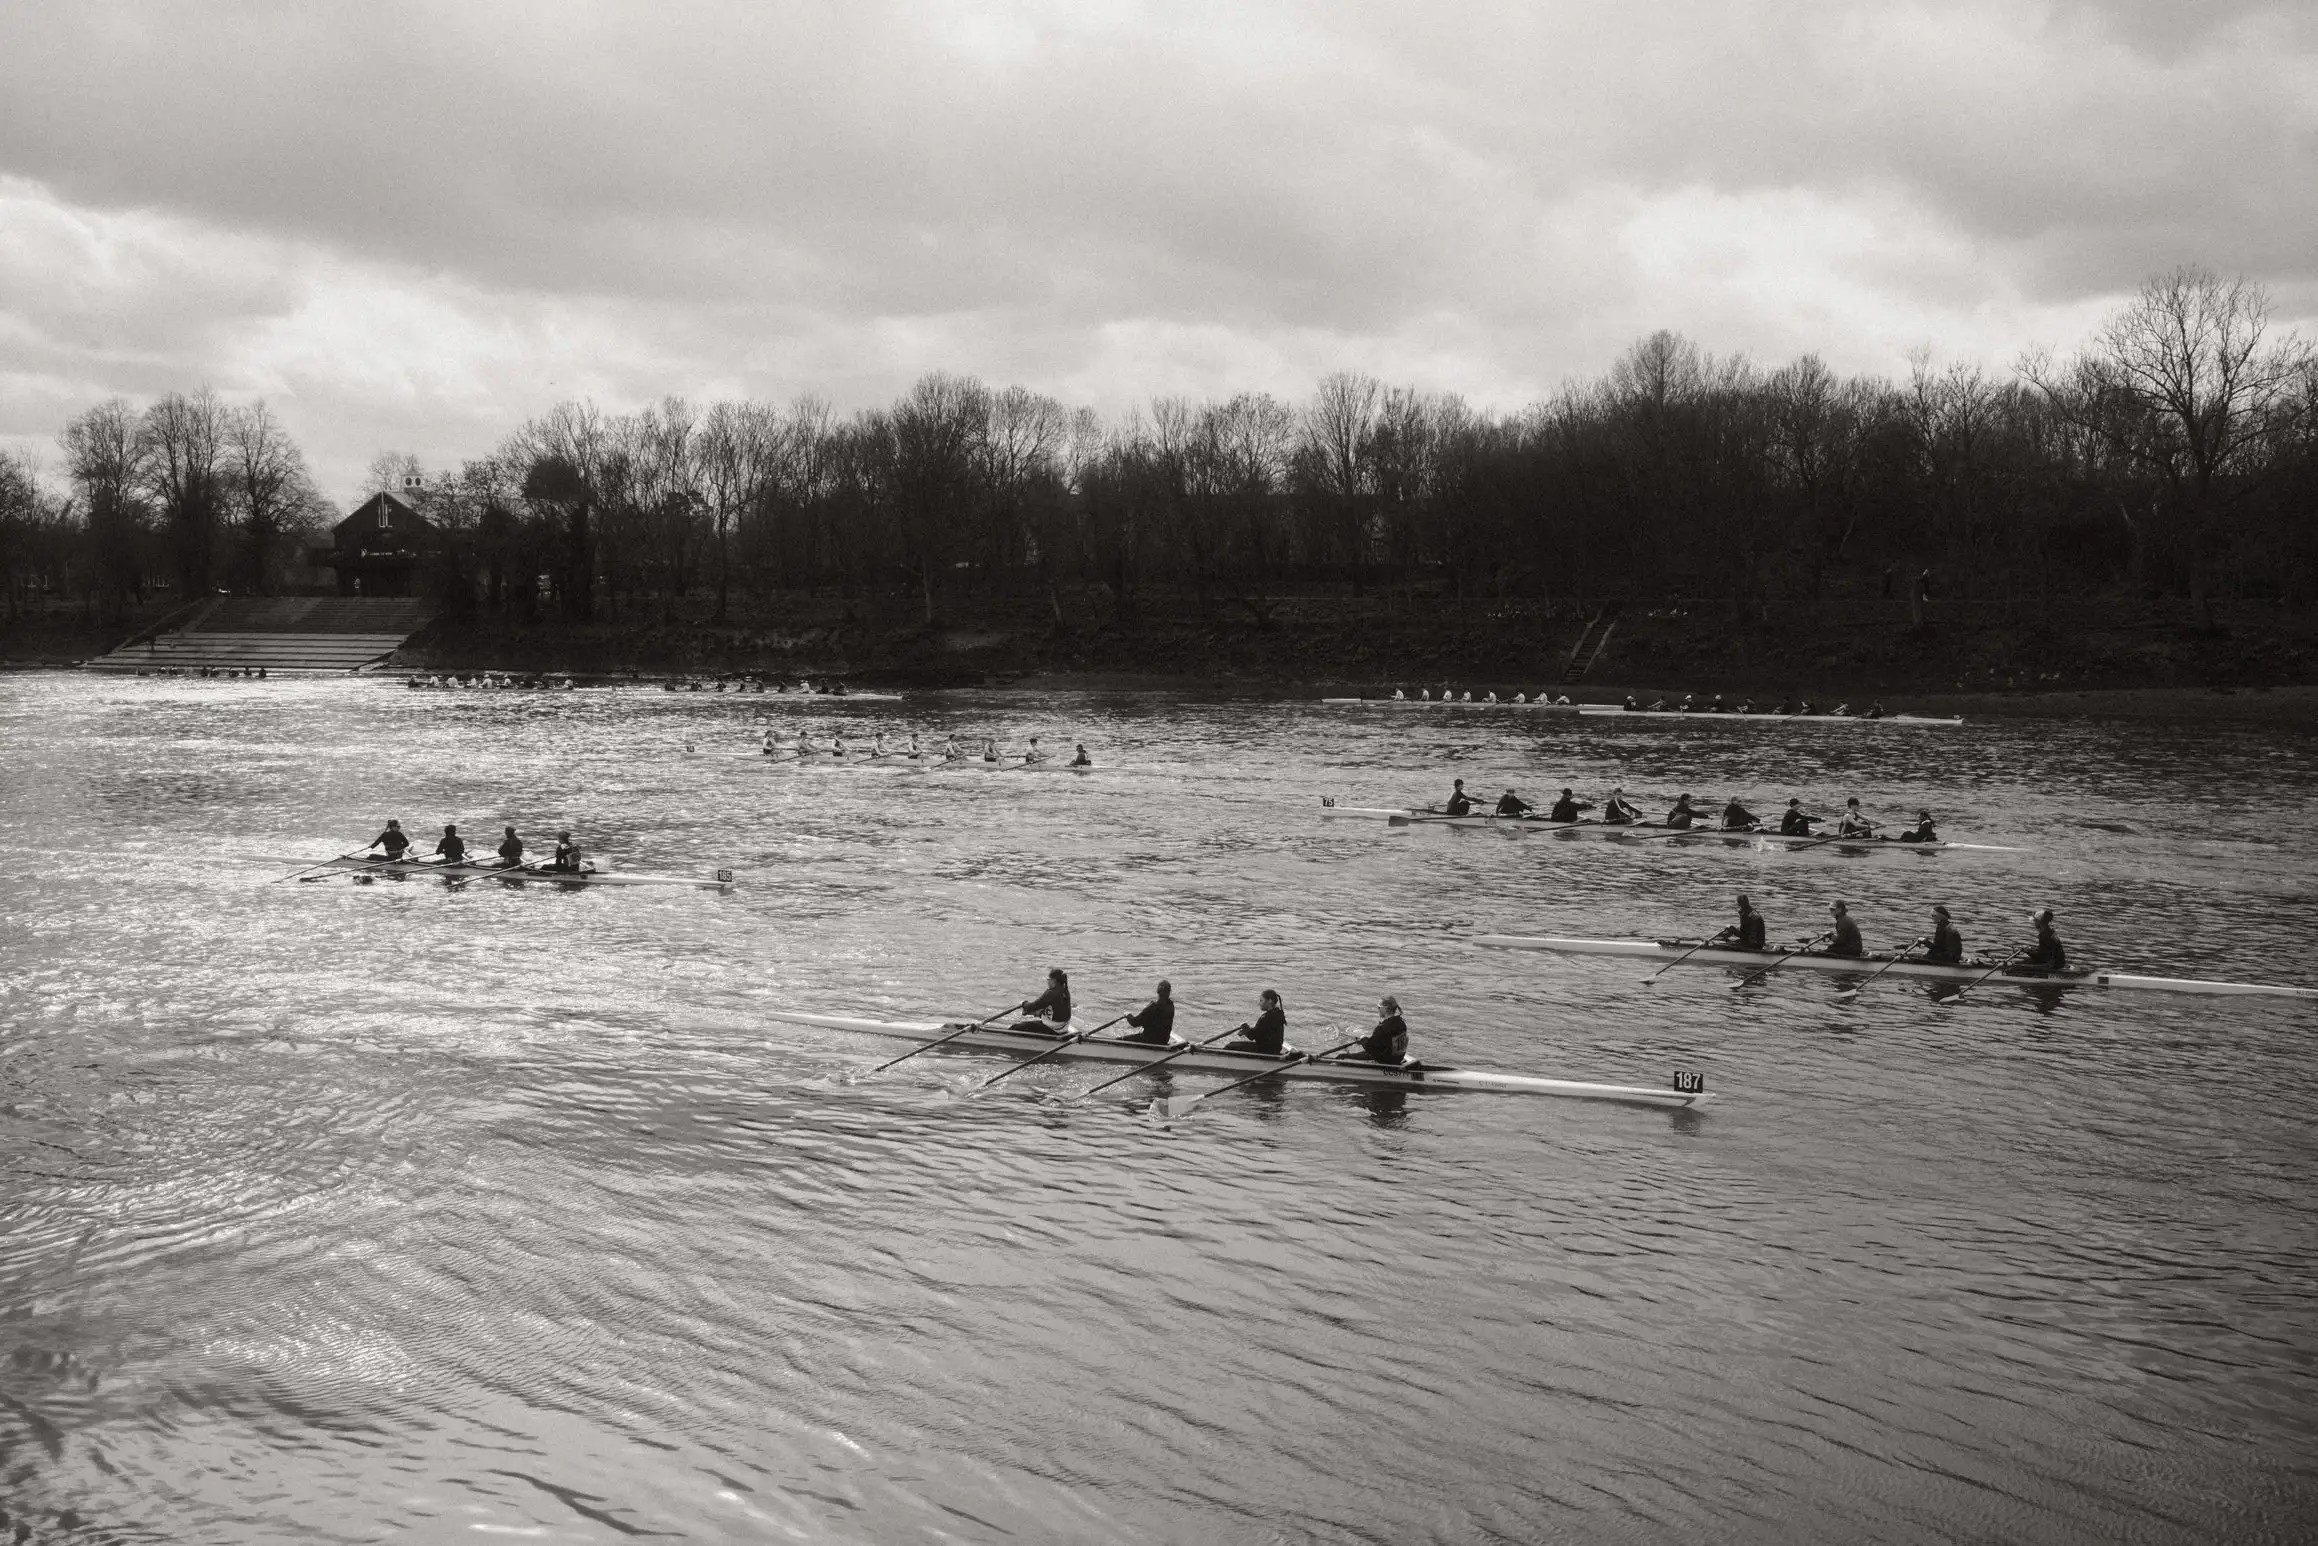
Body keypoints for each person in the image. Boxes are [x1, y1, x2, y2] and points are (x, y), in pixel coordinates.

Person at [1225, 989, 1288, 1056]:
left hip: (1265, 1050)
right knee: (1234, 1045)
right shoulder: (1278, 1014)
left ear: (1270, 1001)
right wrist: (1247, 1030)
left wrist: (1245, 1028)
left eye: (1261, 1001)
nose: (1259, 1003)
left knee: (1230, 1046)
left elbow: (1252, 1036)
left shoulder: (1267, 1017)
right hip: (1274, 1049)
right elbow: (1261, 1032)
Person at [1012, 968, 1073, 1032]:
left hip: (1053, 1028)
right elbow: (1056, 1010)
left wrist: (1023, 1003)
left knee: (1015, 1027)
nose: (1048, 982)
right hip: (1062, 1027)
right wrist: (1034, 1012)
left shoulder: (1051, 993)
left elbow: (1031, 1006)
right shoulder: (1065, 990)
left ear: (1053, 981)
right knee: (1035, 1015)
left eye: (1048, 980)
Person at [1354, 996, 1409, 1065]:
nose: (1378, 1009)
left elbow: (1370, 1049)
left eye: (1379, 1007)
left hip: (1386, 1063)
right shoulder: (1401, 1023)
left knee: (1343, 1056)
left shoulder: (1382, 1027)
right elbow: (1386, 1041)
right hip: (1397, 1058)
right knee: (1356, 1054)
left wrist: (1363, 1039)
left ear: (1385, 1009)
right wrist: (1367, 1040)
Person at [1123, 981, 1176, 1045]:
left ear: (1158, 991)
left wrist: (1128, 1015)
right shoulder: (1170, 1006)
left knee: (1120, 1040)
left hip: (1148, 1041)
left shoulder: (1153, 1006)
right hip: (1163, 1041)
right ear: (1169, 992)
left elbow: (1135, 1022)